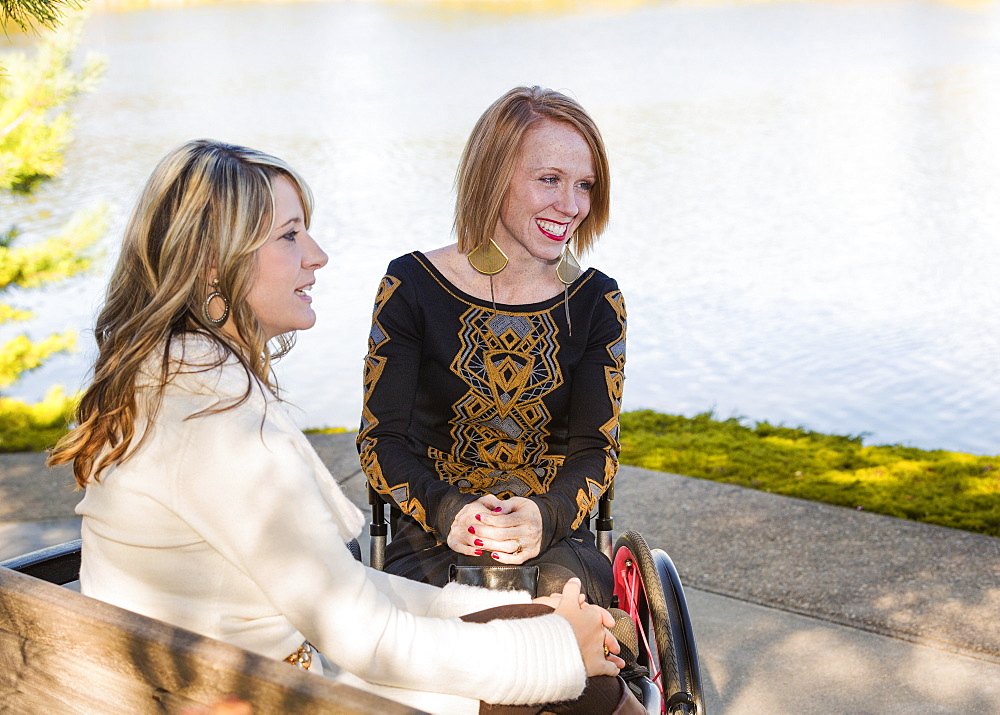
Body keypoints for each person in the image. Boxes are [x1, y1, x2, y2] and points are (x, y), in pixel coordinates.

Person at [47, 140, 640, 714]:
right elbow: (362, 631)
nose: (318, 254)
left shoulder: (183, 381)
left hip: (236, 677)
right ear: (212, 262)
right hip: (264, 692)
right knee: (580, 685)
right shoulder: (216, 420)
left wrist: (526, 614)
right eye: (289, 236)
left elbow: (346, 595)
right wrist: (552, 650)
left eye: (584, 184)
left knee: (562, 646)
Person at [358, 86, 626, 608]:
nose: (570, 206)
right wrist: (451, 512)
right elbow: (380, 444)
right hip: (434, 531)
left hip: (555, 538)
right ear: (494, 175)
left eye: (585, 185)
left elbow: (596, 451)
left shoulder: (597, 300)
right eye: (549, 179)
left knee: (560, 607)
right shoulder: (412, 285)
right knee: (453, 610)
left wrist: (543, 516)